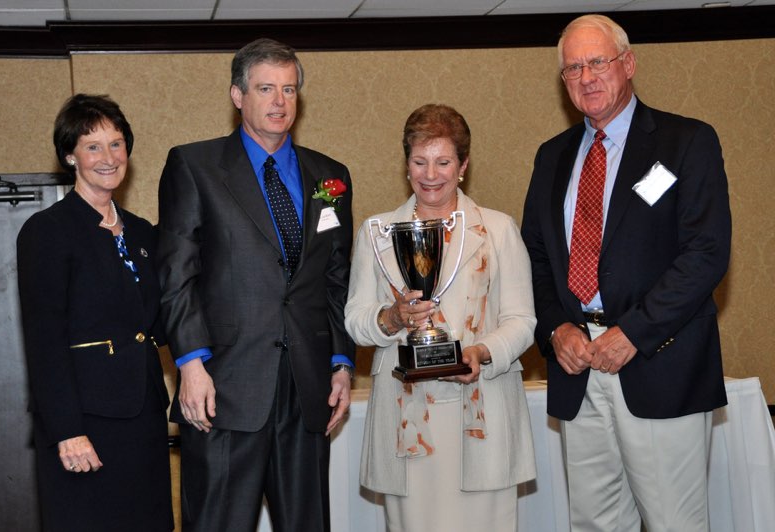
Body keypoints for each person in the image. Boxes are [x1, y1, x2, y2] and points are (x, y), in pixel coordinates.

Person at [520, 14, 731, 532]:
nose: (586, 77)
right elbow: (537, 258)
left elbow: (705, 253)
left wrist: (634, 331)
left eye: (598, 62)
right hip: (578, 369)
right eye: (573, 68)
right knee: (594, 523)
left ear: (628, 64)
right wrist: (555, 328)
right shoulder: (551, 157)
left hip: (660, 363)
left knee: (674, 523)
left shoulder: (686, 142)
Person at [157, 38, 355, 532]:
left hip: (307, 387)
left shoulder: (329, 178)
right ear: (237, 95)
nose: (279, 102)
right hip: (224, 387)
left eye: (289, 89)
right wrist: (190, 363)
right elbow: (177, 275)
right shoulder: (194, 166)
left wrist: (341, 362)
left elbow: (335, 278)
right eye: (266, 88)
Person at [345, 104, 537, 532]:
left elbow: (523, 319)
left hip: (481, 406)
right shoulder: (376, 232)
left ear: (463, 165)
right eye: (419, 161)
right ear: (406, 163)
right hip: (405, 417)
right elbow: (356, 320)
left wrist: (481, 352)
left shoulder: (498, 230)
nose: (431, 174)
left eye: (443, 161)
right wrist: (392, 318)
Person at [16, 94, 173, 532]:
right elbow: (44, 339)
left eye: (117, 144)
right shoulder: (47, 231)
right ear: (70, 155)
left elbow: (159, 322)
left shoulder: (143, 233)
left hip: (142, 417)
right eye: (93, 146)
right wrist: (67, 430)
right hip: (83, 422)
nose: (109, 157)